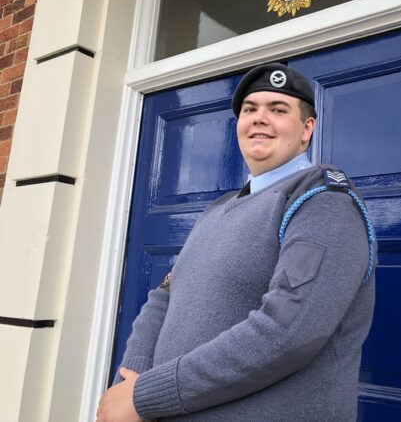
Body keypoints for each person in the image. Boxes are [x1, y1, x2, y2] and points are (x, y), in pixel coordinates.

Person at [96, 63, 376, 422]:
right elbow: (165, 293)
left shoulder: (323, 200)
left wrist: (147, 396)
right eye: (250, 110)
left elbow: (287, 332)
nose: (260, 118)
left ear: (307, 129)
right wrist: (134, 372)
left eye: (278, 110)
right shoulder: (219, 208)